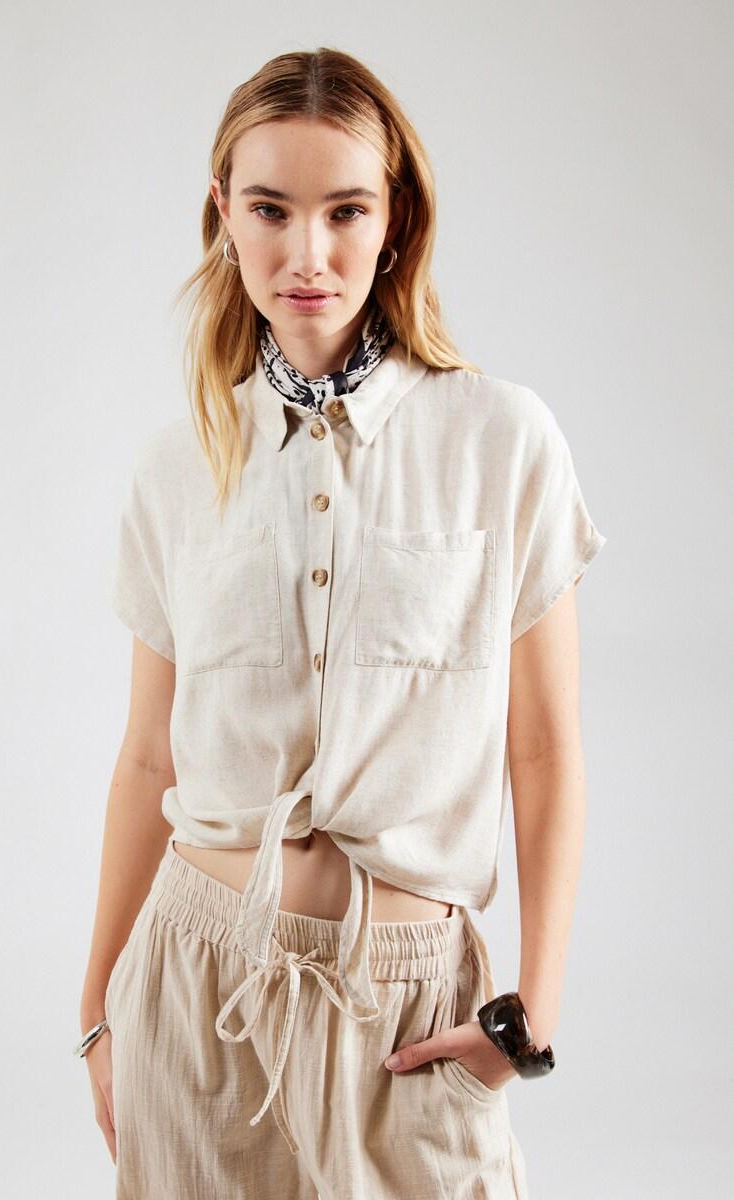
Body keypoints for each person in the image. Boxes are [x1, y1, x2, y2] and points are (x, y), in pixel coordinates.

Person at [76, 46, 607, 1200]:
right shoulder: (177, 468)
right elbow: (146, 758)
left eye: (345, 210)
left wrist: (534, 1015)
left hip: (409, 1006)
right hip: (195, 988)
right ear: (223, 213)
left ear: (395, 218)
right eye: (270, 209)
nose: (306, 254)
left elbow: (544, 747)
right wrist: (98, 1013)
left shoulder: (503, 441)